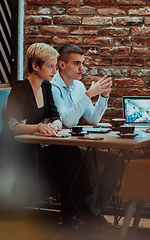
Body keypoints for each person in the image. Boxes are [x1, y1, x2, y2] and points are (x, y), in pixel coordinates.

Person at [0, 43, 95, 227]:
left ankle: (73, 217)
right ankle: (81, 214)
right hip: (17, 154)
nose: (55, 70)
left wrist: (54, 125)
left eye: (55, 66)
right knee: (66, 158)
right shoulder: (20, 89)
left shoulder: (47, 87)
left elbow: (56, 117)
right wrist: (40, 127)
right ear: (35, 66)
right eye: (50, 66)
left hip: (35, 149)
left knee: (70, 152)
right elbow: (13, 125)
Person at [51, 44, 123, 225]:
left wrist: (103, 97)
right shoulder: (52, 87)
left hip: (72, 146)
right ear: (61, 64)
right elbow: (66, 121)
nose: (81, 68)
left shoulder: (78, 86)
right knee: (96, 163)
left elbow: (92, 119)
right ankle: (82, 214)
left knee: (116, 162)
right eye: (76, 63)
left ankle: (93, 212)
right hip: (57, 148)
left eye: (82, 63)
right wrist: (88, 94)